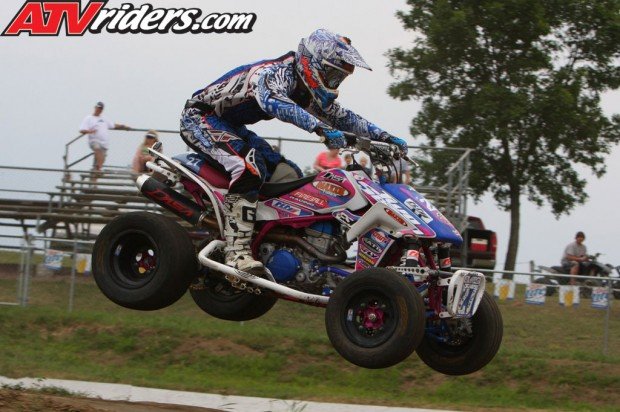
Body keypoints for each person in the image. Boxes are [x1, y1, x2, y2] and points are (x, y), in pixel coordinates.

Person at [179, 28, 409, 272]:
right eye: (331, 75)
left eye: (338, 78)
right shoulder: (273, 73)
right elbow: (274, 101)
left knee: (287, 173)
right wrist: (318, 127)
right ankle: (236, 251)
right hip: (200, 118)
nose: (334, 83)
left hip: (232, 126)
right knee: (248, 167)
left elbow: (343, 118)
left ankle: (272, 243)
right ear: (313, 63)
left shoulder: (304, 90)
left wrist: (384, 136)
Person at [79, 102, 130, 172]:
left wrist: (123, 126)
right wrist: (90, 131)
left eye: (101, 108)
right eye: (98, 108)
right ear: (95, 107)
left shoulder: (104, 118)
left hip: (104, 143)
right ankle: (98, 169)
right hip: (94, 140)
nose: (99, 110)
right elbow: (82, 130)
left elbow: (113, 125)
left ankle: (96, 171)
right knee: (97, 149)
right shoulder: (88, 118)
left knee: (101, 159)